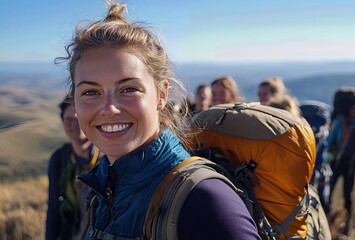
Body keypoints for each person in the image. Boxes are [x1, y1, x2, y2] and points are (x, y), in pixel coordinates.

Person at [56, 1, 260, 239]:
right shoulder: (103, 189)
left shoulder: (205, 200)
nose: (109, 108)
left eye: (129, 89)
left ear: (162, 95)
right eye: (90, 92)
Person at [46, 96, 101, 240]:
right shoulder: (58, 159)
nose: (72, 124)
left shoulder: (106, 159)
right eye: (67, 119)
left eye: (77, 118)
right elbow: (53, 209)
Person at [326, 86, 355, 235]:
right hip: (337, 162)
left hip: (352, 163)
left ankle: (347, 227)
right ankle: (327, 223)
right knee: (328, 193)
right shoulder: (340, 122)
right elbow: (328, 143)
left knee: (348, 195)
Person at [299, 100, 332, 214]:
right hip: (319, 172)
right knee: (322, 204)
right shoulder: (324, 132)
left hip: (304, 174)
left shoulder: (300, 133)